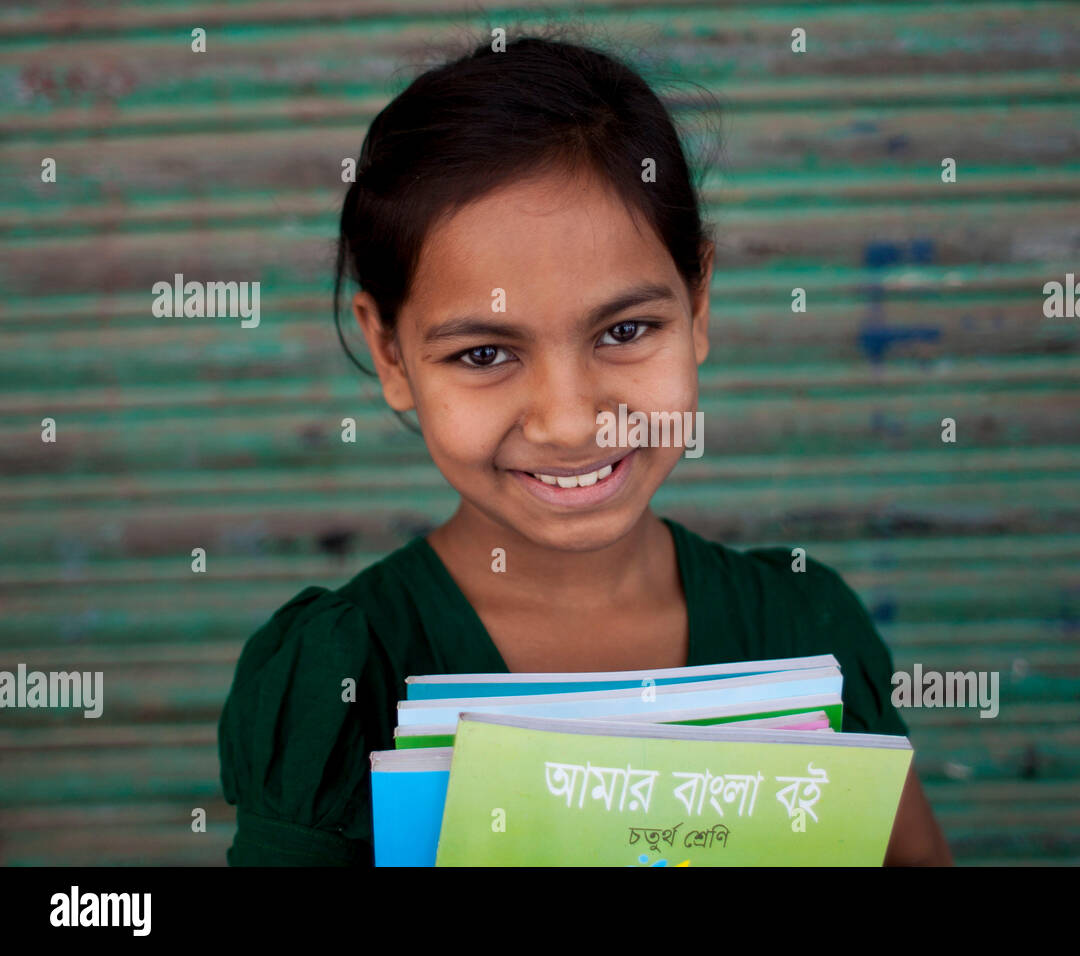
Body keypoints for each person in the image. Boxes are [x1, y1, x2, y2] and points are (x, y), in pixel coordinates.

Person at [218, 28, 952, 866]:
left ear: (699, 306)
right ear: (389, 353)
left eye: (627, 330)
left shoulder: (803, 623)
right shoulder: (339, 676)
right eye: (484, 354)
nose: (570, 423)